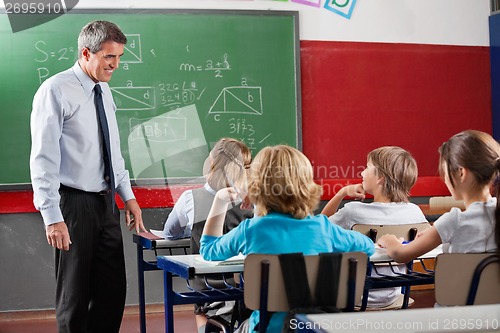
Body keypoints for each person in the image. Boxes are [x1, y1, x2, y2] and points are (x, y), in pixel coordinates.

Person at [30, 21, 146, 333]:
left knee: (112, 291)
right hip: (72, 203)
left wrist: (129, 197)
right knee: (74, 294)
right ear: (86, 53)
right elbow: (42, 158)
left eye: (120, 57)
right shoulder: (55, 90)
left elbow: (113, 151)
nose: (116, 65)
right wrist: (52, 216)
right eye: (110, 57)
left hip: (106, 203)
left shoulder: (104, 91)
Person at [200, 145, 375, 332]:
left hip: (268, 327)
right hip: (316, 327)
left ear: (255, 186)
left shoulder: (251, 230)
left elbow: (208, 250)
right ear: (306, 185)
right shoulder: (324, 228)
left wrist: (220, 201)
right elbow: (368, 247)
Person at [150, 137, 253, 332]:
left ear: (212, 162)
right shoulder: (252, 203)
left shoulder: (191, 198)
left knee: (199, 305)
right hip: (249, 291)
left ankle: (206, 327)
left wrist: (194, 227)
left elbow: (170, 233)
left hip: (207, 289)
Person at [321, 146, 427, 308]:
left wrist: (342, 192)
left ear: (381, 178)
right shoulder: (414, 212)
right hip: (393, 296)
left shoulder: (353, 211)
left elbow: (322, 224)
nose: (362, 173)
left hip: (352, 297)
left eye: (367, 168)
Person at [379, 130, 499, 269]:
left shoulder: (455, 221)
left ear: (461, 173)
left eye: (445, 172)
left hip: (462, 292)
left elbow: (400, 254)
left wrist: (389, 241)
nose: (445, 179)